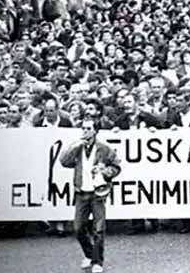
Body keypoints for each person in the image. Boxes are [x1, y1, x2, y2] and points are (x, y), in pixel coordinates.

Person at [59, 116, 122, 273]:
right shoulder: (78, 147)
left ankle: (97, 262)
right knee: (78, 228)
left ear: (95, 131)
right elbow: (64, 161)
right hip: (81, 192)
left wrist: (105, 172)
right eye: (83, 128)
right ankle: (89, 254)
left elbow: (116, 167)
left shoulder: (104, 148)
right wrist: (76, 145)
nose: (85, 131)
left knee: (98, 229)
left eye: (88, 128)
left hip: (97, 193)